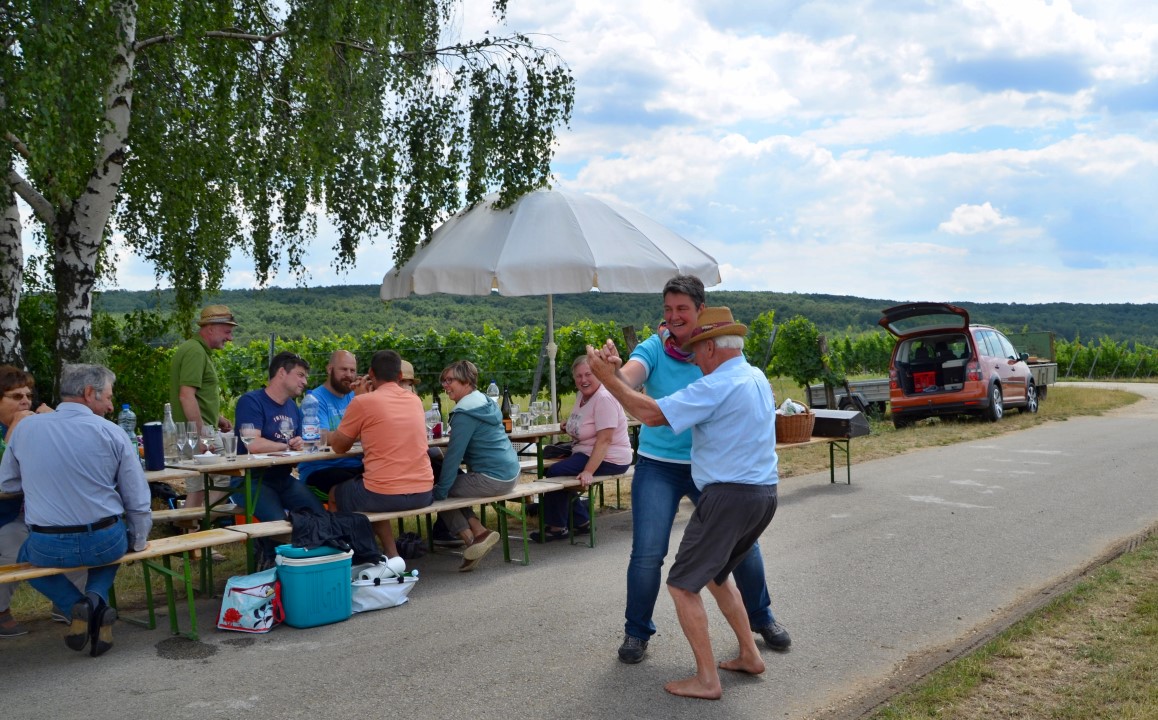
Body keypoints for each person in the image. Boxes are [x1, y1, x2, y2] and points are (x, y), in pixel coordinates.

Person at [594, 274, 790, 665]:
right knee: (648, 553)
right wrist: (612, 370)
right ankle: (637, 632)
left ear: (702, 311)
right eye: (667, 309)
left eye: (682, 309)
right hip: (662, 464)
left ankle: (761, 618)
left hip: (716, 474)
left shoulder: (722, 355)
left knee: (741, 550)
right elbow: (628, 380)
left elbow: (653, 410)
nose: (673, 317)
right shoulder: (657, 347)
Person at [0, 364, 152, 657]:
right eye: (107, 397)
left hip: (47, 543)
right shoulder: (113, 432)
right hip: (105, 540)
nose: (109, 405)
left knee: (23, 558)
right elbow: (137, 499)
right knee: (119, 542)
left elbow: (7, 481)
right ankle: (95, 601)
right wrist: (139, 539)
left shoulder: (26, 429)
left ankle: (75, 606)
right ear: (88, 393)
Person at [329, 350, 433, 558]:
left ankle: (350, 554)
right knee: (375, 482)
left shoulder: (362, 402)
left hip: (383, 495)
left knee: (335, 494)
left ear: (370, 373)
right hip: (423, 493)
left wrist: (358, 400)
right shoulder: (415, 400)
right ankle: (391, 554)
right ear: (400, 376)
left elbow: (340, 447)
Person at [0, 365, 74, 638]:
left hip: (42, 513)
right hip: (5, 517)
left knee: (80, 535)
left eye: (28, 396)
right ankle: (0, 610)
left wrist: (59, 425)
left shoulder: (36, 427)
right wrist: (15, 431)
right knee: (16, 544)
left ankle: (67, 604)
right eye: (15, 396)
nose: (25, 402)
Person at [234, 352, 325, 565]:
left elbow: (301, 442)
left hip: (282, 478)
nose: (305, 381)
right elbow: (252, 444)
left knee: (319, 515)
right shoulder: (251, 401)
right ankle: (270, 563)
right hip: (249, 480)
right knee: (278, 524)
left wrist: (300, 444)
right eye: (300, 375)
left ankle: (312, 564)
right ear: (282, 373)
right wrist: (286, 445)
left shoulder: (293, 407)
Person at [530, 355, 633, 542]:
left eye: (588, 374)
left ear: (599, 375)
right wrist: (567, 426)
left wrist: (588, 471)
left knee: (556, 471)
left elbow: (605, 440)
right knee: (548, 466)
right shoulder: (582, 396)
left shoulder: (604, 398)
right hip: (585, 451)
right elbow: (584, 424)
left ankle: (557, 526)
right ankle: (580, 521)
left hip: (610, 457)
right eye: (579, 376)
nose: (583, 380)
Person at [433, 360, 519, 571]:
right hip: (511, 473)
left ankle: (471, 540)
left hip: (492, 479)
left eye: (450, 380)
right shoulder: (485, 403)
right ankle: (478, 530)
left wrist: (440, 492)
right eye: (444, 380)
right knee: (448, 481)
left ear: (466, 381)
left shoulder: (464, 414)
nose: (445, 385)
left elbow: (453, 456)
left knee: (437, 492)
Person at [169, 304, 237, 512]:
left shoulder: (194, 349)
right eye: (227, 331)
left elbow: (195, 397)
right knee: (229, 477)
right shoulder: (196, 352)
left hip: (197, 429)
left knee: (197, 489)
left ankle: (192, 537)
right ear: (210, 328)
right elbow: (186, 396)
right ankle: (198, 528)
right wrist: (201, 437)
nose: (230, 338)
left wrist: (217, 417)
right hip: (199, 432)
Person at [298, 350, 366, 505]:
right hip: (322, 468)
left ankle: (365, 528)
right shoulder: (314, 400)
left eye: (352, 370)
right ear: (329, 369)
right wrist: (358, 433)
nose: (349, 375)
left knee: (381, 476)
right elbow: (322, 437)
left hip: (353, 464)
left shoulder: (355, 396)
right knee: (354, 487)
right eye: (343, 369)